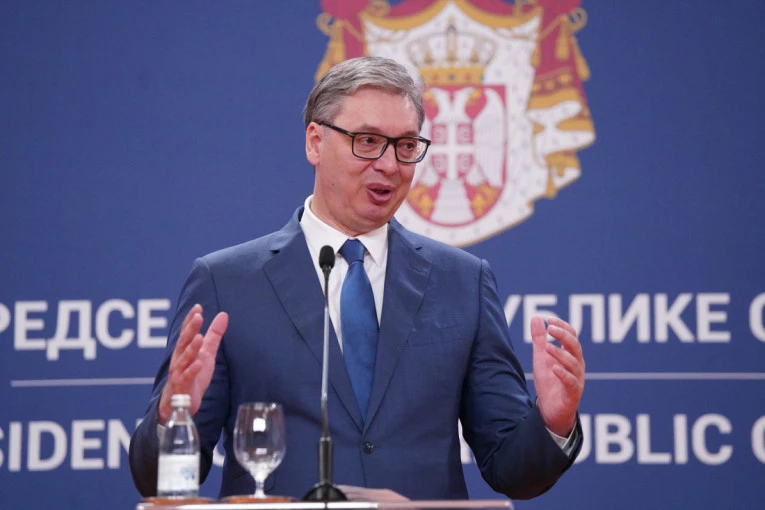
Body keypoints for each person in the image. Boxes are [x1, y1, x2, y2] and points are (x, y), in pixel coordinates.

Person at [129, 56, 585, 501]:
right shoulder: (227, 283)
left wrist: (553, 422)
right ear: (315, 142)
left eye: (406, 145)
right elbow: (158, 483)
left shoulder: (462, 282)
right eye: (367, 141)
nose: (389, 164)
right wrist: (173, 417)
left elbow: (512, 469)